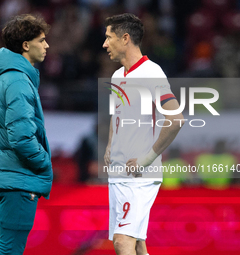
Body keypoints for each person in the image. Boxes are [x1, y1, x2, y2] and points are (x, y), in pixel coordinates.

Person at [103, 14, 184, 255]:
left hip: (138, 175)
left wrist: (146, 160)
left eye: (108, 38)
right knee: (137, 244)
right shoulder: (117, 76)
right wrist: (109, 146)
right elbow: (115, 116)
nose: (104, 44)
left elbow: (176, 119)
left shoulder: (151, 73)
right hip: (118, 172)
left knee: (122, 241)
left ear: (125, 38)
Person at [0, 14, 52, 255]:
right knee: (11, 250)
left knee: (9, 249)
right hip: (19, 178)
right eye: (41, 40)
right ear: (26, 45)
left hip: (10, 176)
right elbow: (21, 137)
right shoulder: (18, 80)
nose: (46, 46)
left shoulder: (8, 76)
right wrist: (43, 162)